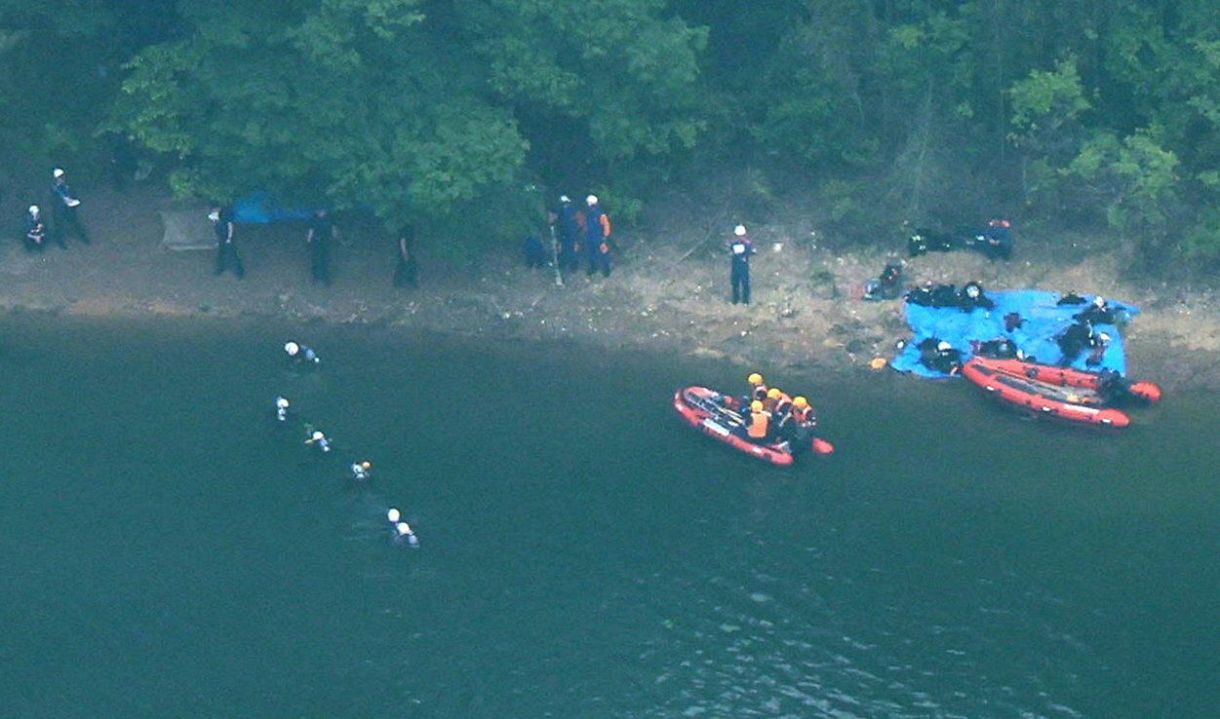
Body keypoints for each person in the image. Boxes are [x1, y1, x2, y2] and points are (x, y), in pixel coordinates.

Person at [49, 168, 89, 245]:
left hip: (69, 209)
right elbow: (54, 200)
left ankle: (83, 237)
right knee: (59, 226)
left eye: (62, 177)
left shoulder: (68, 185)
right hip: (59, 210)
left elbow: (73, 193)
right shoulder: (54, 188)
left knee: (75, 223)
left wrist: (73, 200)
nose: (62, 179)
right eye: (60, 177)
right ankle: (60, 241)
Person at [210, 204, 244, 278]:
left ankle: (239, 272)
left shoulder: (226, 217)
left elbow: (230, 228)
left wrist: (229, 239)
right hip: (221, 238)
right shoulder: (215, 219)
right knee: (221, 253)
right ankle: (220, 268)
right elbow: (216, 229)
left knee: (232, 254)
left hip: (228, 238)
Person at [584, 195, 612, 277]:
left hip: (599, 237)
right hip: (590, 237)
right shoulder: (589, 213)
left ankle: (606, 270)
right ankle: (593, 268)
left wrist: (604, 237)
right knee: (591, 253)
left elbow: (606, 226)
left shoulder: (601, 214)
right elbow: (587, 225)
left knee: (603, 253)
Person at [305, 209, 335, 286]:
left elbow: (333, 229)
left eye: (323, 211)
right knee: (315, 260)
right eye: (319, 211)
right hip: (316, 241)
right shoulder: (314, 219)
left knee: (325, 260)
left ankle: (325, 279)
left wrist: (335, 238)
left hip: (326, 241)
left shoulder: (329, 219)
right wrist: (308, 241)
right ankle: (315, 278)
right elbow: (311, 231)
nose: (321, 212)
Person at [728, 224, 755, 304]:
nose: (740, 238)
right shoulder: (734, 244)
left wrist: (747, 253)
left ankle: (746, 301)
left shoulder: (747, 244)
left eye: (741, 236)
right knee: (735, 282)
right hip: (735, 265)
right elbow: (731, 251)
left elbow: (751, 251)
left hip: (743, 266)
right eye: (738, 236)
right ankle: (735, 300)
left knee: (745, 283)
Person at [554, 195, 583, 271]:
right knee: (567, 250)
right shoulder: (564, 211)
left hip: (569, 234)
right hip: (568, 234)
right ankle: (569, 266)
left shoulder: (566, 211)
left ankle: (570, 266)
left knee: (569, 250)